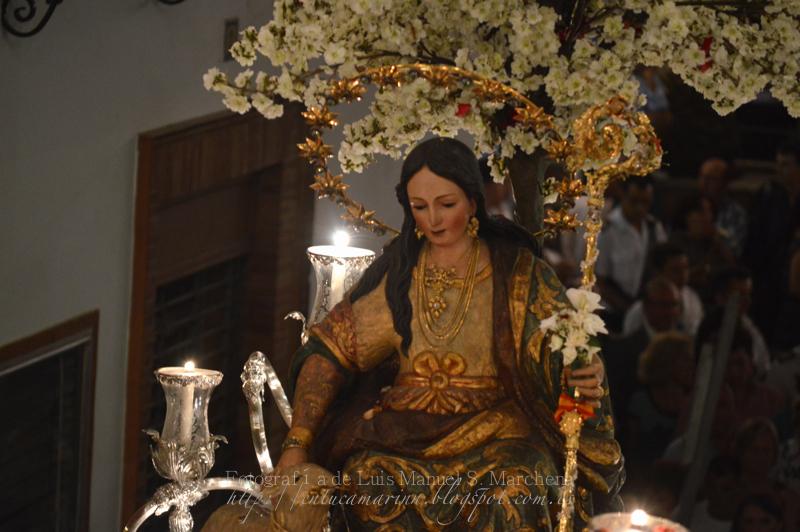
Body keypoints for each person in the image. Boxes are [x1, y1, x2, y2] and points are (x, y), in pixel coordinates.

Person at [275, 138, 620, 530]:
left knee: (520, 486)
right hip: (403, 434)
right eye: (420, 207)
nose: (434, 219)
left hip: (497, 434)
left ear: (473, 202)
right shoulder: (400, 276)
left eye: (447, 204)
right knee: (365, 481)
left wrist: (582, 367)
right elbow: (330, 351)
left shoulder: (517, 274)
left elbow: (565, 343)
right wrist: (297, 443)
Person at [596, 176, 667, 331]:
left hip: (645, 312)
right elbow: (600, 280)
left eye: (645, 203)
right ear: (623, 196)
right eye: (634, 201)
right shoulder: (608, 231)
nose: (640, 208)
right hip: (613, 313)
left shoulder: (654, 228)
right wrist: (627, 308)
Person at [623, 242, 704, 336]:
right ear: (658, 272)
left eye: (685, 269)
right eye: (675, 270)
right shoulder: (638, 313)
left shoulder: (693, 300)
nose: (683, 276)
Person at [698, 157, 748, 257]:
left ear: (724, 182)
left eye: (711, 179)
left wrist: (712, 233)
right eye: (702, 177)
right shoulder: (689, 207)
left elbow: (734, 255)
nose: (704, 183)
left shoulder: (736, 214)